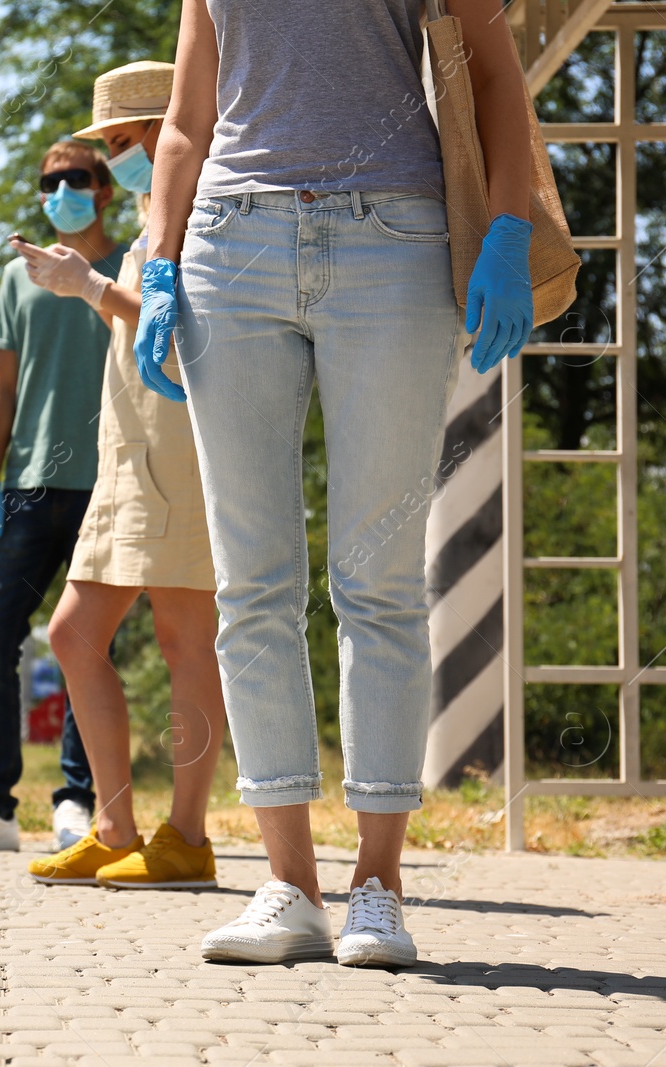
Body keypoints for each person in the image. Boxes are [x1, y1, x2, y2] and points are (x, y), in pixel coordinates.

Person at [136, 0, 535, 966]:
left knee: (378, 579)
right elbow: (188, 118)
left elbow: (496, 83)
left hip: (393, 244)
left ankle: (380, 889)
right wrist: (158, 259)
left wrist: (510, 233)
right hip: (229, 251)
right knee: (253, 583)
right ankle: (289, 886)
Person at [6, 62, 226, 892]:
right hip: (130, 456)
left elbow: (199, 333)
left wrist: (89, 285)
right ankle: (114, 825)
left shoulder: (208, 210)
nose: (116, 158)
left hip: (180, 451)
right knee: (71, 633)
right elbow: (147, 321)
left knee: (183, 640)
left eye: (125, 142)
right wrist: (88, 281)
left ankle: (186, 837)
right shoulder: (147, 216)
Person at [0, 141, 129, 854]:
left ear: (104, 190)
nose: (63, 188)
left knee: (85, 644)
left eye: (77, 178)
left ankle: (76, 799)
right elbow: (1, 386)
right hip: (29, 485)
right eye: (50, 181)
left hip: (109, 480)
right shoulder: (19, 277)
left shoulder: (126, 269)